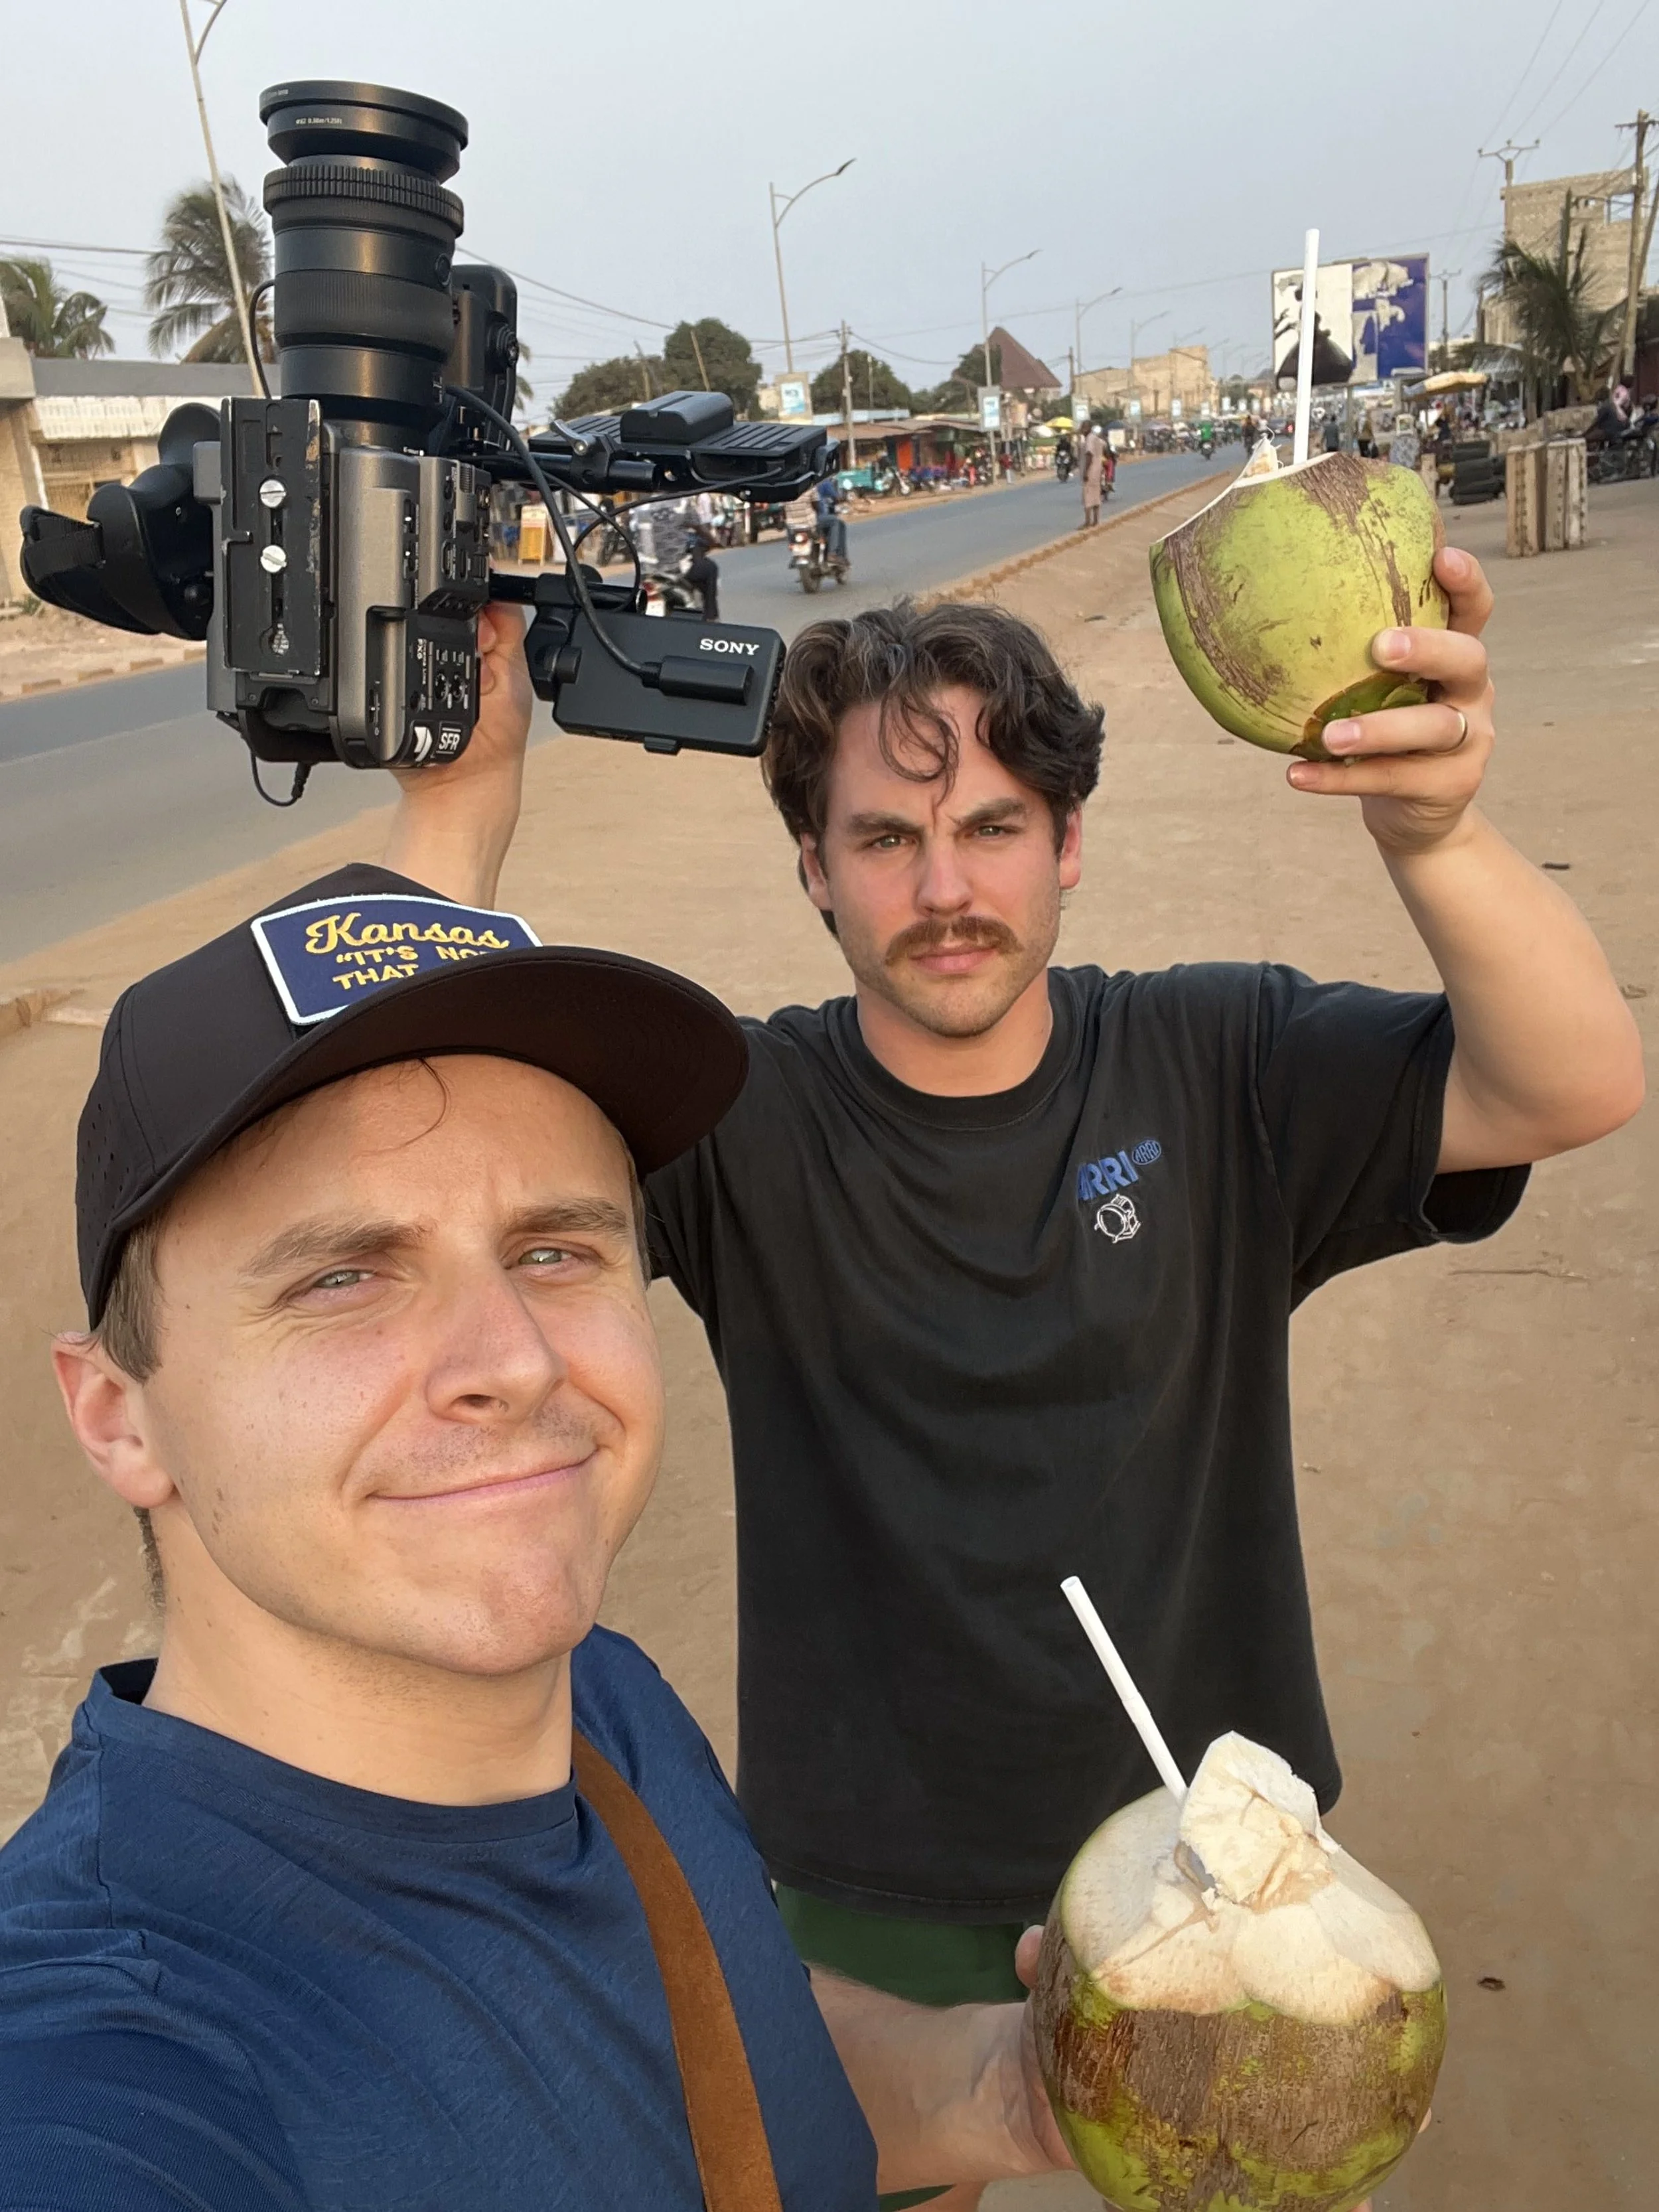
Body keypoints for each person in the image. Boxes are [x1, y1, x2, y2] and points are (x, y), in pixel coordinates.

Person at [382, 558, 1641, 2211]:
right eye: (887, 840)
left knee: (1243, 2172)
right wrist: (455, 822)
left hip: (1220, 1847)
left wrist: (1435, 836)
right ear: (816, 874)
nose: (945, 886)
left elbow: (1572, 1079)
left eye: (991, 827)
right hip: (873, 1860)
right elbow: (419, 1145)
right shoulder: (740, 1115)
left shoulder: (1217, 1062)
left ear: (1066, 845)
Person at [0, 827, 1074, 2206]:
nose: (512, 1356)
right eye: (343, 1276)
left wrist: (1006, 2088)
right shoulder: (114, 2060)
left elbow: (729, 2056)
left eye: (554, 1249)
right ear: (117, 1414)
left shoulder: (601, 1704)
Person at [813, 473, 849, 568]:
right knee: (837, 522)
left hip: (795, 523)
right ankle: (834, 554)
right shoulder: (822, 482)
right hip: (813, 519)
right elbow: (834, 498)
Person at [1080, 423, 1106, 526]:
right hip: (1097, 471)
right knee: (1096, 496)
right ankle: (1096, 521)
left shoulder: (1089, 439)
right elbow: (1104, 447)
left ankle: (1087, 522)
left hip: (1091, 471)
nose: (1081, 430)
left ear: (1087, 429)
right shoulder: (1097, 439)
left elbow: (1089, 455)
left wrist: (1086, 472)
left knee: (1088, 497)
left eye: (1083, 428)